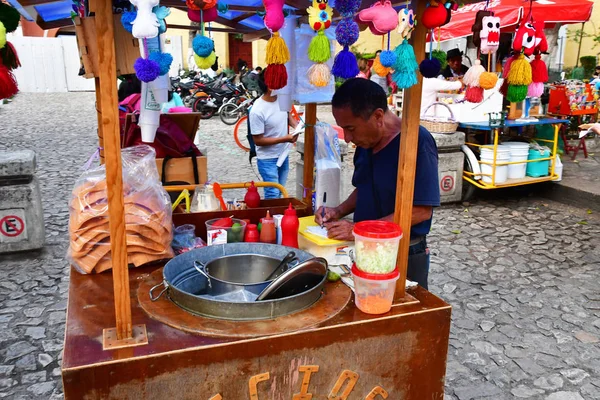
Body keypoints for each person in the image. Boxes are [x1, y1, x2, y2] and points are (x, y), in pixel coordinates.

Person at [315, 79, 440, 289]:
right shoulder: (366, 141)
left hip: (403, 253)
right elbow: (364, 186)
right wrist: (338, 210)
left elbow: (421, 211)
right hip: (365, 249)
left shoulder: (416, 141)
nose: (347, 138)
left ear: (378, 116)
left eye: (351, 128)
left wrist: (358, 230)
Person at [249, 68, 299, 199]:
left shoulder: (282, 99)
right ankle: (269, 218)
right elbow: (258, 141)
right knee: (273, 193)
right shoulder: (257, 110)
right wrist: (285, 139)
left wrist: (298, 126)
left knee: (280, 190)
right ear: (270, 86)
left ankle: (276, 217)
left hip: (283, 155)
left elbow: (288, 116)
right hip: (267, 159)